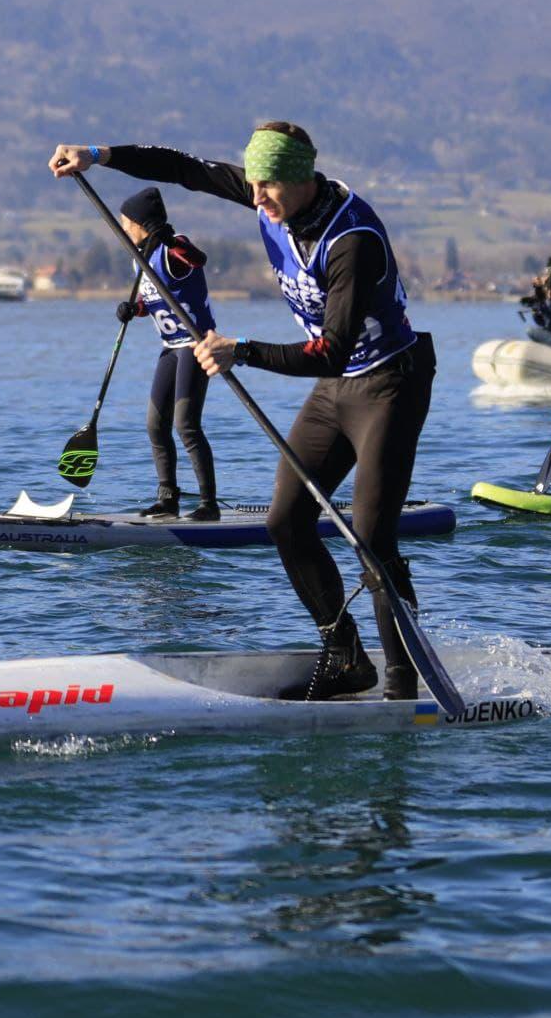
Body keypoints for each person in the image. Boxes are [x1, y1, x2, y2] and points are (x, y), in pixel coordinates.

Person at [50, 123, 434, 701]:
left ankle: (405, 681)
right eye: (252, 185)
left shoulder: (352, 239)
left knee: (373, 539)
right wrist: (98, 156)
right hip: (338, 391)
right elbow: (181, 166)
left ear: (302, 177)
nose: (257, 199)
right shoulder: (267, 193)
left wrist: (243, 352)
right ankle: (346, 656)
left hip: (389, 385)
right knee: (286, 520)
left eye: (269, 188)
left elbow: (330, 352)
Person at [114, 186, 219, 521]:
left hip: (195, 346)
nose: (123, 226)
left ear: (142, 223)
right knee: (155, 426)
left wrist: (170, 239)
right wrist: (136, 309)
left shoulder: (173, 250)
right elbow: (156, 300)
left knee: (186, 425)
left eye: (126, 221)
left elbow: (197, 259)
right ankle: (168, 498)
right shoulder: (139, 257)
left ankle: (208, 505)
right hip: (170, 350)